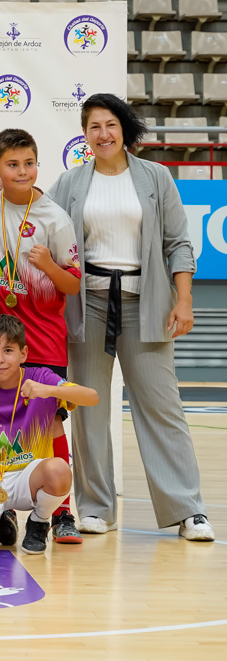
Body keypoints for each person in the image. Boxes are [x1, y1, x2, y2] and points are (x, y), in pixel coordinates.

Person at [46, 93, 214, 541]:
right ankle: (96, 507)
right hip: (89, 304)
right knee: (87, 409)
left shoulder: (156, 177)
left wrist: (184, 300)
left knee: (162, 408)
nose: (103, 134)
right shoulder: (70, 182)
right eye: (94, 127)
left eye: (111, 125)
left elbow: (178, 243)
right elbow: (38, 220)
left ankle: (188, 509)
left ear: (124, 130)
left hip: (148, 301)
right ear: (84, 134)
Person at [0, 128, 83, 545]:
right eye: (12, 164)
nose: (22, 172)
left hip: (42, 339)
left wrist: (50, 265)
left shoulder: (54, 217)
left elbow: (72, 285)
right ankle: (0, 505)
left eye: (29, 163)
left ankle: (61, 511)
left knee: (50, 420)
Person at [0, 315, 99, 555]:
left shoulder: (42, 377)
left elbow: (92, 397)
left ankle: (39, 520)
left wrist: (49, 390)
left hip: (29, 476)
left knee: (59, 469)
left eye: (8, 350)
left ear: (23, 354)